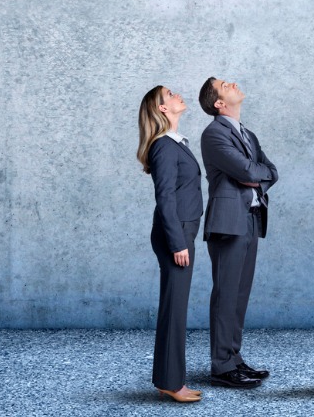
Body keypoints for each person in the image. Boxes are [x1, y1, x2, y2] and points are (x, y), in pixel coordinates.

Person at [198, 77, 278, 388]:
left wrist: (256, 175)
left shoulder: (248, 134)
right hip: (227, 222)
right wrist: (255, 173)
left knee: (240, 295)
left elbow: (270, 170)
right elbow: (247, 171)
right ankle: (221, 366)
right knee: (226, 294)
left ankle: (234, 359)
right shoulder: (214, 134)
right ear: (218, 103)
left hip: (251, 219)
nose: (232, 83)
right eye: (224, 84)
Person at [137, 86, 204, 403]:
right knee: (174, 310)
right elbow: (164, 198)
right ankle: (171, 382)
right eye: (171, 94)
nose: (178, 96)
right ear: (162, 108)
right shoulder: (164, 146)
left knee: (174, 307)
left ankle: (169, 378)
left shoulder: (176, 143)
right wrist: (178, 243)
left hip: (181, 231)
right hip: (174, 235)